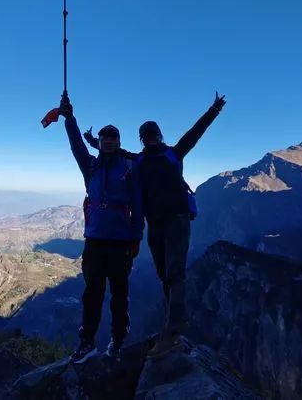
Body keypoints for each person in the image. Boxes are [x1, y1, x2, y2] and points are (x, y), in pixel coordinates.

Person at [85, 92, 226, 356]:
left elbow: (196, 132)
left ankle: (173, 332)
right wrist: (93, 140)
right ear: (149, 137)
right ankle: (170, 327)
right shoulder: (152, 157)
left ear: (155, 136)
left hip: (174, 221)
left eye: (150, 134)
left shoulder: (166, 155)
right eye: (147, 135)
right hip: (159, 223)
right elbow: (115, 150)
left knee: (173, 273)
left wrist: (214, 110)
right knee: (165, 274)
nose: (149, 138)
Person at [58, 95, 144, 363]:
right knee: (92, 294)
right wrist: (69, 118)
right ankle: (87, 343)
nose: (108, 142)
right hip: (94, 240)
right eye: (105, 139)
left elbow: (138, 205)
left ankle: (117, 342)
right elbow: (76, 146)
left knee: (120, 295)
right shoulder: (91, 166)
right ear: (102, 143)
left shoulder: (129, 167)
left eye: (113, 139)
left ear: (118, 142)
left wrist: (136, 238)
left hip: (120, 242)